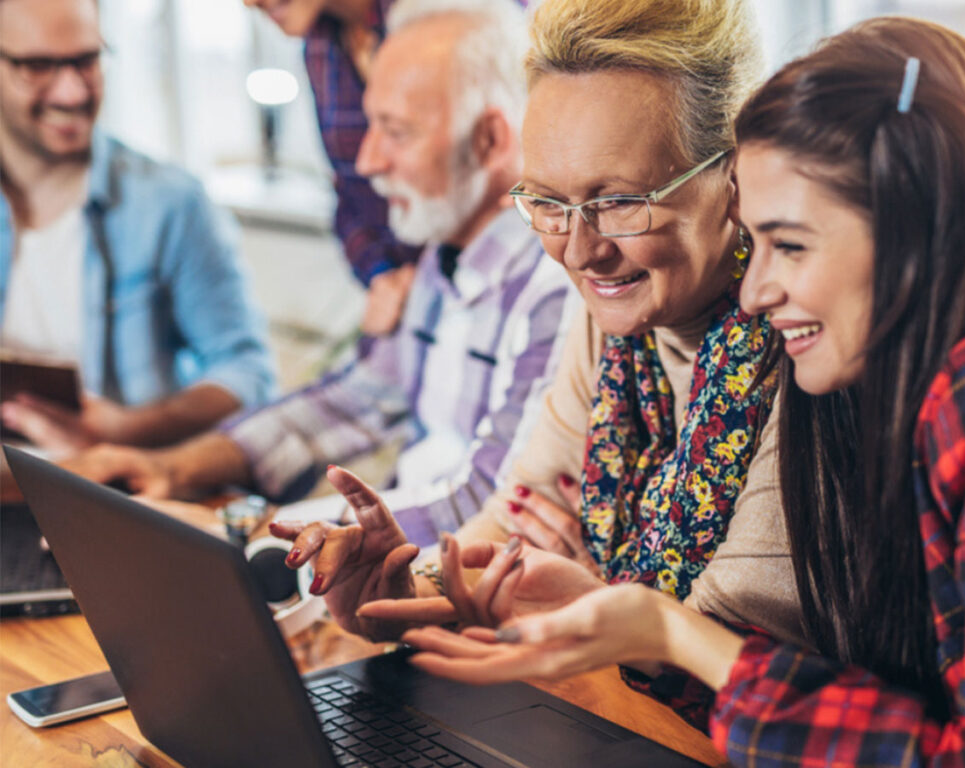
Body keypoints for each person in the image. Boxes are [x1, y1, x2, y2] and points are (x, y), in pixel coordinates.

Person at [396, 17, 965, 766]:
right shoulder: (929, 388)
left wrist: (669, 633)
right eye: (549, 203)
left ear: (919, 228)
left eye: (788, 244)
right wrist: (648, 633)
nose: (754, 293)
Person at [271, 0, 807, 724]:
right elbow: (525, 521)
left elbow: (727, 651)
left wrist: (580, 609)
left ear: (734, 172)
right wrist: (401, 587)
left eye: (620, 201)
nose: (579, 252)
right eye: (547, 203)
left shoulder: (806, 338)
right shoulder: (615, 322)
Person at [67, 0, 576, 548]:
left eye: (396, 131)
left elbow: (488, 504)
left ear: (491, 141)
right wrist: (172, 468)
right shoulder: (438, 257)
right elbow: (352, 402)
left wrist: (249, 536)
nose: (367, 162)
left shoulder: (557, 291)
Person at [0, 0, 275, 454]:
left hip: (112, 491)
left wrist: (129, 429)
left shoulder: (170, 203)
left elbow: (249, 373)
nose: (71, 93)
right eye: (38, 66)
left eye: (87, 61)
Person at [242, 0, 420, 337]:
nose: (248, 3)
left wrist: (432, 277)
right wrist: (380, 274)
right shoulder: (320, 47)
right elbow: (348, 192)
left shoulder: (449, 18)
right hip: (401, 307)